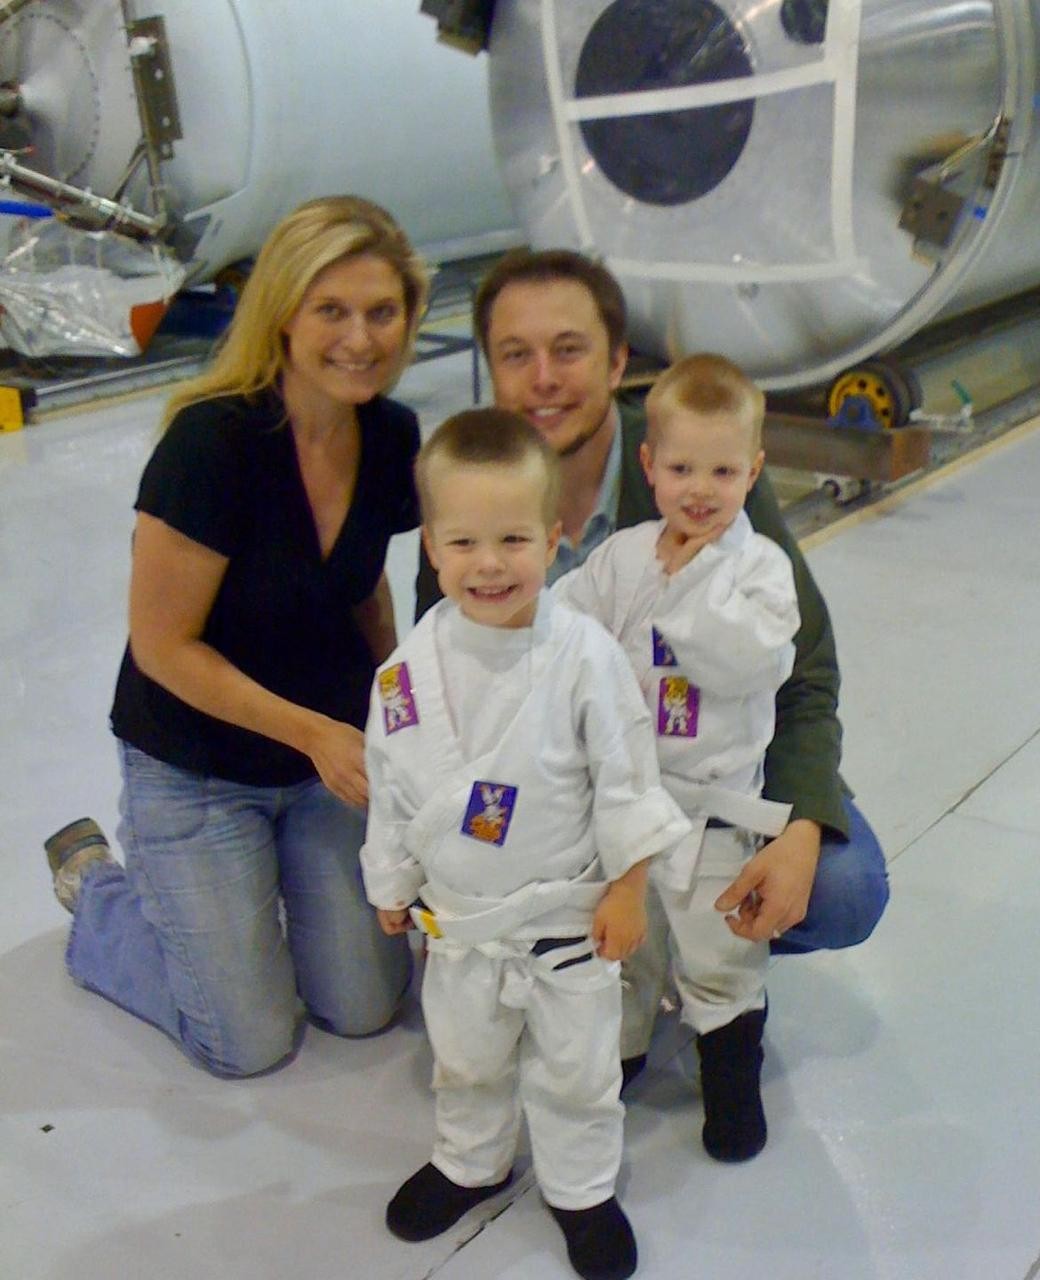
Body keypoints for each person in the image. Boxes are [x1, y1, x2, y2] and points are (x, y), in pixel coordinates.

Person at [414, 247, 889, 1075]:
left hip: (707, 770)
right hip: (569, 786)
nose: (543, 378)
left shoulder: (698, 461)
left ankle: (704, 953)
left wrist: (803, 826)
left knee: (842, 888)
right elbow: (455, 681)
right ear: (489, 369)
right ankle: (618, 955)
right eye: (516, 354)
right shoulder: (474, 484)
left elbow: (805, 673)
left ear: (617, 361)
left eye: (569, 349)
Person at [43, 195, 430, 1077]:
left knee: (365, 1008)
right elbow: (162, 647)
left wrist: (396, 710)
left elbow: (364, 583)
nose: (360, 338)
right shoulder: (211, 443)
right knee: (244, 1041)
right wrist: (313, 732)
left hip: (323, 763)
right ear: (283, 314)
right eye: (331, 310)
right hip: (199, 765)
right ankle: (97, 885)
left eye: (382, 312)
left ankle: (244, 915)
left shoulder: (391, 434)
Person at [362, 410, 690, 1280]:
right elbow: (392, 784)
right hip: (461, 921)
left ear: (554, 540)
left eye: (513, 539)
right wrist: (391, 879)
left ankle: (582, 1189)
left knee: (576, 1070)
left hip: (566, 923)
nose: (490, 564)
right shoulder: (405, 672)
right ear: (431, 546)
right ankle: (470, 1161)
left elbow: (627, 776)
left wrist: (628, 887)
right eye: (464, 542)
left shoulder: (584, 656)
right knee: (465, 1057)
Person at [555, 353, 800, 1162]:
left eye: (723, 472)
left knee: (720, 950)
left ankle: (730, 1075)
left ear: (753, 472)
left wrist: (692, 585)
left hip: (711, 807)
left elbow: (750, 664)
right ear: (650, 465)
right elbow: (565, 628)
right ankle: (622, 1051)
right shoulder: (622, 557)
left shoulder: (760, 570)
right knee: (628, 946)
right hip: (626, 803)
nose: (701, 489)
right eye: (682, 468)